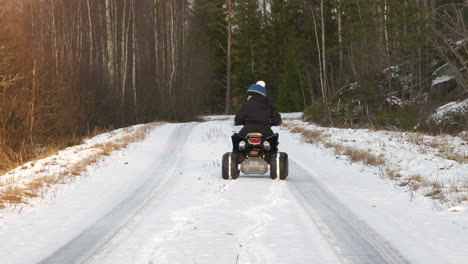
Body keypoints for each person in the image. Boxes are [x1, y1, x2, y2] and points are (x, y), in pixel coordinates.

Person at [233, 81, 282, 153]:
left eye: (248, 95)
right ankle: (272, 157)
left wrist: (243, 122)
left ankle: (237, 158)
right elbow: (277, 120)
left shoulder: (245, 105)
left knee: (238, 144)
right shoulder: (269, 105)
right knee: (273, 145)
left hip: (247, 130)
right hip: (265, 131)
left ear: (251, 95)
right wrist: (274, 123)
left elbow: (237, 120)